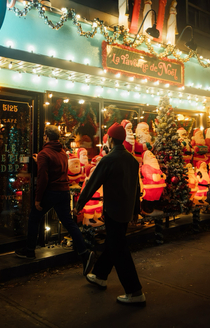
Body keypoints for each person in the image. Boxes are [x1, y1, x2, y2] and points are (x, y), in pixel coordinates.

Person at [75, 122, 146, 306]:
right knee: (114, 243)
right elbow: (136, 187)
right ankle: (100, 275)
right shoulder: (131, 160)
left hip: (114, 210)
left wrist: (79, 204)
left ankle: (134, 291)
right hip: (126, 211)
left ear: (111, 139)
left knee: (119, 249)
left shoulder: (109, 159)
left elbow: (93, 183)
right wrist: (136, 211)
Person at [15, 125, 94, 276]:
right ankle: (84, 253)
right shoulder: (62, 152)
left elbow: (44, 178)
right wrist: (41, 161)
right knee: (70, 224)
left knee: (34, 218)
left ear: (46, 137)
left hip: (51, 192)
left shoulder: (45, 153)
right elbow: (56, 166)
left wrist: (38, 199)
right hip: (63, 192)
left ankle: (30, 250)